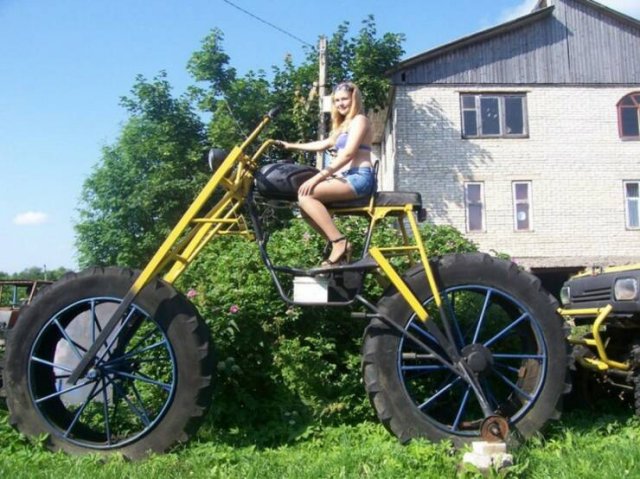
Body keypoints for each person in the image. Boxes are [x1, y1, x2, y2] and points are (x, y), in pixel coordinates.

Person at [277, 81, 376, 268]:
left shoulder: (360, 120)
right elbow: (323, 144)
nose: (340, 104)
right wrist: (290, 145)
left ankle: (339, 242)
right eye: (337, 101)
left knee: (306, 195)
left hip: (360, 177)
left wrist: (318, 177)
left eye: (344, 99)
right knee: (305, 209)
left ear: (354, 99)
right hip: (347, 177)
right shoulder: (344, 125)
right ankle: (338, 242)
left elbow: (348, 154)